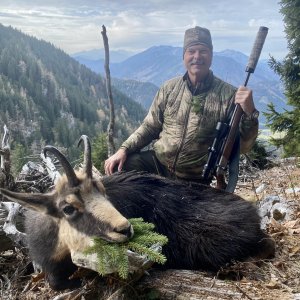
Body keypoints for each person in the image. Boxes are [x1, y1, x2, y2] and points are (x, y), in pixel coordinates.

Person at [104, 26, 259, 185]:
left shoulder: (229, 95)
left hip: (194, 178)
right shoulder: (169, 88)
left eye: (203, 51)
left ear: (211, 55)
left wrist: (250, 114)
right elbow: (150, 127)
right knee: (120, 168)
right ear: (184, 56)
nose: (197, 56)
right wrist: (123, 149)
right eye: (191, 51)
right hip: (159, 165)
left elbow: (243, 147)